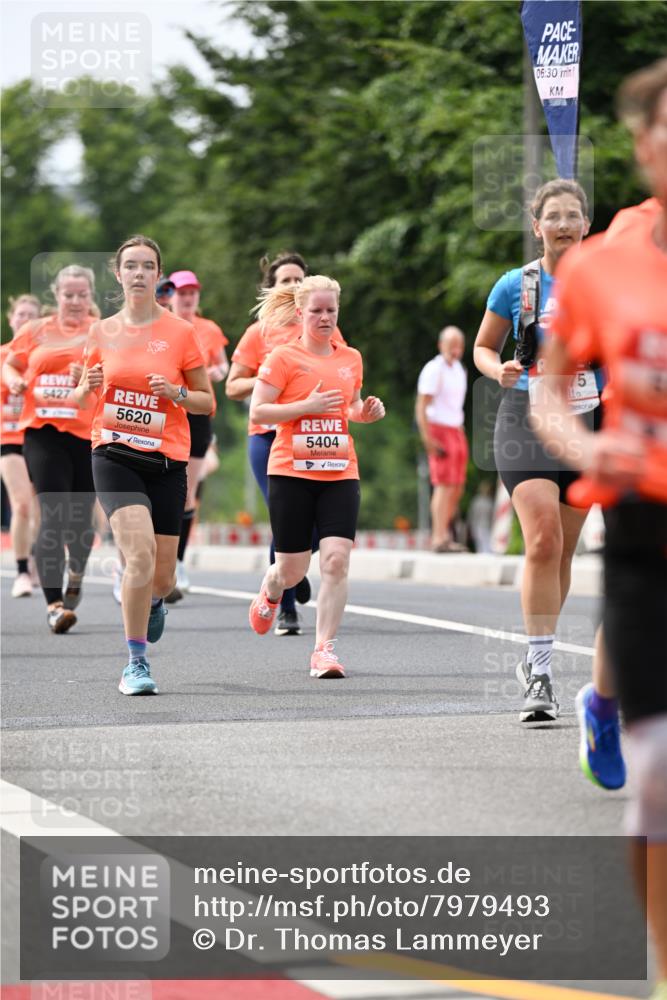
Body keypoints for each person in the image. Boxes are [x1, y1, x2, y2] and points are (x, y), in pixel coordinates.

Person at [531, 58, 667, 1000]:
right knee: (657, 776)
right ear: (642, 145)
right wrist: (579, 444)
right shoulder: (601, 264)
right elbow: (548, 389)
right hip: (645, 523)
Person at [474, 178, 601, 723]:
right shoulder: (516, 285)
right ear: (537, 226)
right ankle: (541, 672)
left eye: (574, 216)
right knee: (543, 536)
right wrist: (496, 368)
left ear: (587, 226)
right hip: (525, 416)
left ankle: (537, 657)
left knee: (562, 553)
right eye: (555, 217)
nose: (565, 225)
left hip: (586, 420)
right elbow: (483, 347)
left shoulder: (603, 286)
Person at [74, 235, 212, 695]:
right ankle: (136, 662)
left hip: (167, 458)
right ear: (118, 274)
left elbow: (205, 402)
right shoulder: (100, 332)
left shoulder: (180, 332)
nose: (138, 273)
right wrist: (86, 385)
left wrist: (174, 394)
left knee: (164, 576)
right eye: (130, 266)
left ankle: (153, 600)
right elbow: (81, 395)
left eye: (147, 266)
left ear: (158, 275)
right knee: (137, 554)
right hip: (113, 453)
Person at [247, 274, 385, 677]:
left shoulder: (350, 358)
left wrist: (366, 412)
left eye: (331, 311)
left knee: (337, 561)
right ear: (300, 313)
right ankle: (270, 592)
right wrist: (304, 406)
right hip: (291, 471)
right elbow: (259, 412)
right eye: (317, 311)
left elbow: (351, 406)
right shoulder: (282, 358)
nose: (324, 318)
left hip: (340, 470)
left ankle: (324, 650)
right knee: (291, 570)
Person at [226, 251, 345, 637]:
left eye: (299, 279)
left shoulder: (324, 325)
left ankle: (292, 570)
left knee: (315, 525)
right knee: (286, 520)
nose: (293, 286)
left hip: (315, 440)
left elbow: (341, 372)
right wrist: (268, 378)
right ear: (273, 288)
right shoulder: (258, 333)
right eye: (285, 281)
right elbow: (232, 386)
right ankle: (286, 608)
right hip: (269, 439)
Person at [2, 268, 97, 633]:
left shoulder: (102, 332)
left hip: (88, 435)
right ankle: (54, 605)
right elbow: (11, 364)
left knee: (81, 525)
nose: (74, 301)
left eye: (81, 294)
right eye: (68, 294)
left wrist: (87, 377)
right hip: (42, 433)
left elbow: (119, 375)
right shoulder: (35, 330)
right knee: (54, 514)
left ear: (90, 296)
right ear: (56, 296)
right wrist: (16, 381)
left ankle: (77, 571)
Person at [167, 269, 229, 600]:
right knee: (162, 488)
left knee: (188, 491)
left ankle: (177, 562)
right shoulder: (162, 326)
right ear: (170, 296)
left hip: (199, 414)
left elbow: (223, 365)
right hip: (166, 413)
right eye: (181, 292)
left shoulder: (209, 329)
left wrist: (220, 372)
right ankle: (156, 559)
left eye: (192, 292)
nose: (188, 298)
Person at [1, 294, 41, 597]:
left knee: (42, 508)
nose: (25, 319)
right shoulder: (3, 357)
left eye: (32, 315)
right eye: (21, 314)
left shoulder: (44, 357)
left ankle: (38, 560)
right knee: (22, 504)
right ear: (11, 319)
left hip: (41, 438)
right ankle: (22, 571)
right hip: (9, 438)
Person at [415, 326, 468, 552]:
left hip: (456, 427)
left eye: (458, 346)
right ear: (441, 346)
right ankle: (438, 537)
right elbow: (422, 404)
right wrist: (426, 437)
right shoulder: (434, 369)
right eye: (451, 345)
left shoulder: (459, 369)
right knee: (444, 484)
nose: (455, 350)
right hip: (438, 428)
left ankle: (445, 532)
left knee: (457, 486)